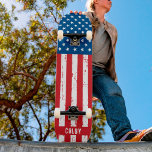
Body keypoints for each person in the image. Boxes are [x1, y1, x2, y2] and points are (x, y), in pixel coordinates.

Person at [80, 0, 152, 142]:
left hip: (100, 73)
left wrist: (105, 85)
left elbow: (110, 58)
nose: (110, 1)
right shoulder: (83, 17)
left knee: (114, 91)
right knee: (78, 104)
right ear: (95, 1)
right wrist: (74, 21)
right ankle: (77, 134)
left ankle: (124, 135)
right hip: (81, 67)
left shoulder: (112, 29)